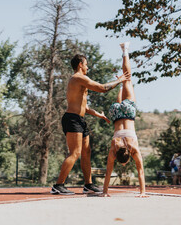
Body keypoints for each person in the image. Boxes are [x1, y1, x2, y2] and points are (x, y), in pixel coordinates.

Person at [51, 54, 131, 195]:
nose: (88, 67)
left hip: (80, 119)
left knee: (86, 153)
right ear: (80, 65)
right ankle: (58, 185)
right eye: (86, 64)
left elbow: (85, 107)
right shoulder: (78, 78)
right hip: (72, 119)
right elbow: (102, 88)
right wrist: (119, 81)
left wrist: (98, 114)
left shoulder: (80, 81)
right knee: (75, 153)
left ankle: (88, 185)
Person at [101, 42, 148, 198]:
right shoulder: (114, 149)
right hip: (116, 113)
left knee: (128, 78)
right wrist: (104, 192)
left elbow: (141, 171)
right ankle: (120, 84)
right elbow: (108, 173)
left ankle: (125, 50)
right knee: (124, 85)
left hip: (128, 113)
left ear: (128, 155)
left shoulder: (133, 148)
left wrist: (143, 192)